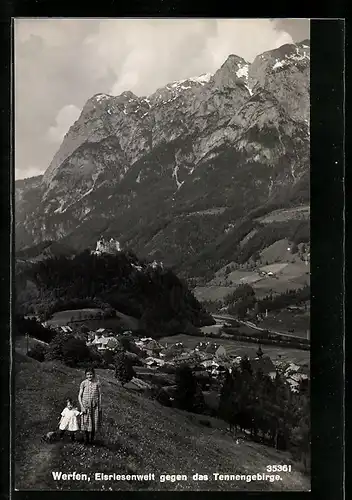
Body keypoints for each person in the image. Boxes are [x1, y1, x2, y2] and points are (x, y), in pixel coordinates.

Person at [78, 367, 102, 445]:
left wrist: (100, 405)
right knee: (86, 422)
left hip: (95, 407)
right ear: (85, 375)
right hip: (86, 406)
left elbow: (100, 395)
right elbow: (79, 396)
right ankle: (86, 440)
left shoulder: (97, 383)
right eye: (88, 374)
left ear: (93, 374)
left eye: (91, 374)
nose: (89, 376)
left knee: (94, 423)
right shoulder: (83, 383)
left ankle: (92, 440)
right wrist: (82, 406)